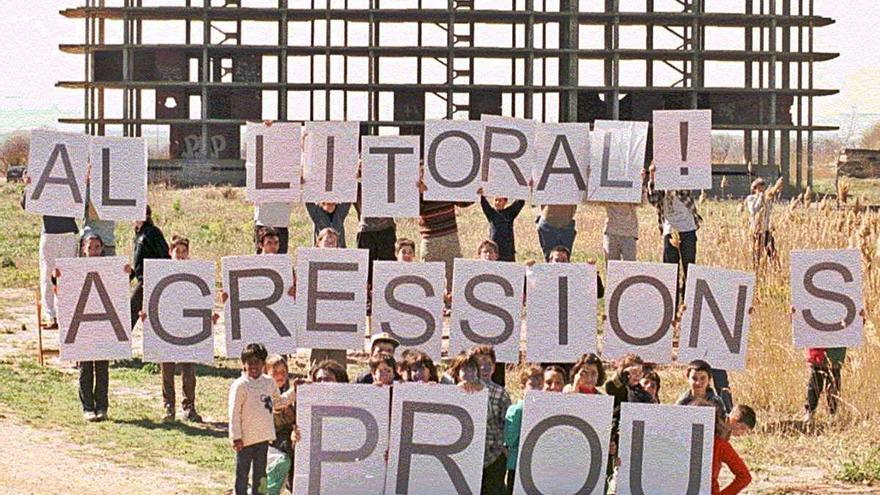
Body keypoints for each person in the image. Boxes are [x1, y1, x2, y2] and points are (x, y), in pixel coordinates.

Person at [53, 231, 130, 422]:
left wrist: (128, 272)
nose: (94, 250)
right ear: (83, 249)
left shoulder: (109, 267)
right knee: (85, 368)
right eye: (90, 247)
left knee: (102, 369)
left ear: (102, 248)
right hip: (83, 328)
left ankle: (102, 406)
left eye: (97, 247)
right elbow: (61, 288)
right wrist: (57, 277)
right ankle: (88, 407)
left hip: (103, 327)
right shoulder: (75, 268)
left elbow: (120, 286)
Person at [155, 236, 208, 423]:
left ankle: (189, 406)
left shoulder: (196, 272)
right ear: (171, 252)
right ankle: (169, 406)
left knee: (189, 368)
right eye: (178, 251)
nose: (181, 255)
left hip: (188, 325)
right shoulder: (161, 272)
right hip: (166, 324)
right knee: (167, 367)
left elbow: (202, 297)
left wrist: (209, 314)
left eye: (184, 251)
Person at [228, 343, 292, 495]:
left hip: (263, 438)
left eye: (257, 362)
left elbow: (278, 403)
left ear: (263, 364)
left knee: (260, 474)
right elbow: (234, 413)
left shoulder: (269, 383)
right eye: (249, 362)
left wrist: (294, 390)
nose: (253, 366)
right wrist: (235, 437)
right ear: (244, 364)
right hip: (245, 440)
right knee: (242, 474)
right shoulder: (240, 385)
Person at [21, 175, 79, 329]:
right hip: (49, 232)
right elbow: (26, 204)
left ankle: (66, 314)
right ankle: (51, 315)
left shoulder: (71, 172)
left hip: (68, 233)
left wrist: (85, 182)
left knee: (67, 276)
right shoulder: (43, 174)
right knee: (47, 276)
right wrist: (28, 186)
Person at [457, 350, 512, 495]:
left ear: (494, 367)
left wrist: (505, 451)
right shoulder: (459, 391)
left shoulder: (501, 393)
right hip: (466, 456)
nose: (484, 368)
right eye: (480, 364)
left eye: (489, 364)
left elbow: (507, 425)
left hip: (493, 457)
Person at [646, 163, 701, 301]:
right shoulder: (659, 187)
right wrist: (652, 178)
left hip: (687, 229)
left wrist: (672, 174)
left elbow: (684, 188)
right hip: (669, 230)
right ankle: (672, 306)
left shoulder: (681, 181)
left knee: (689, 269)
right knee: (670, 271)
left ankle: (687, 304)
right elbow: (653, 200)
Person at [699, 400, 754, 495]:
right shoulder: (720, 441)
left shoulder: (722, 433)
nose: (742, 433)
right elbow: (745, 476)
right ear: (735, 418)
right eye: (743, 428)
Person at [504, 365, 544, 494]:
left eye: (540, 385)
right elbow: (509, 439)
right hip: (516, 466)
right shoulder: (517, 410)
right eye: (532, 385)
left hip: (536, 466)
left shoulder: (546, 410)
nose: (537, 389)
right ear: (522, 387)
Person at [130, 205, 170, 329]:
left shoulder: (153, 232)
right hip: (142, 279)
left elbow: (164, 255)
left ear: (146, 215)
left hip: (150, 279)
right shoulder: (138, 233)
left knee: (131, 311)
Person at [265, 355, 296, 495]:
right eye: (275, 372)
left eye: (283, 372)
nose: (280, 376)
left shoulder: (288, 392)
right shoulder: (264, 394)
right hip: (272, 439)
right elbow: (277, 406)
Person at [745, 177, 783, 268]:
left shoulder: (767, 198)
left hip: (766, 231)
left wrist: (769, 197)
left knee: (773, 252)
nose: (762, 188)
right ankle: (757, 270)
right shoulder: (750, 198)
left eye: (763, 185)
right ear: (755, 188)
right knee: (757, 254)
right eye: (759, 186)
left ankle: (777, 269)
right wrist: (761, 197)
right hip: (756, 231)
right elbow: (753, 210)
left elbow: (769, 211)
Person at [803, 347, 846, 422]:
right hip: (818, 349)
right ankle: (810, 411)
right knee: (816, 379)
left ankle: (833, 413)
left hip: (835, 348)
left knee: (833, 380)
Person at [480, 193, 525, 262]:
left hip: (508, 251)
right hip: (494, 250)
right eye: (496, 200)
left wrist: (524, 189)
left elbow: (520, 202)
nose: (497, 203)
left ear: (505, 201)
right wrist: (481, 193)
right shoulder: (491, 213)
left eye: (500, 200)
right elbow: (483, 203)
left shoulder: (510, 213)